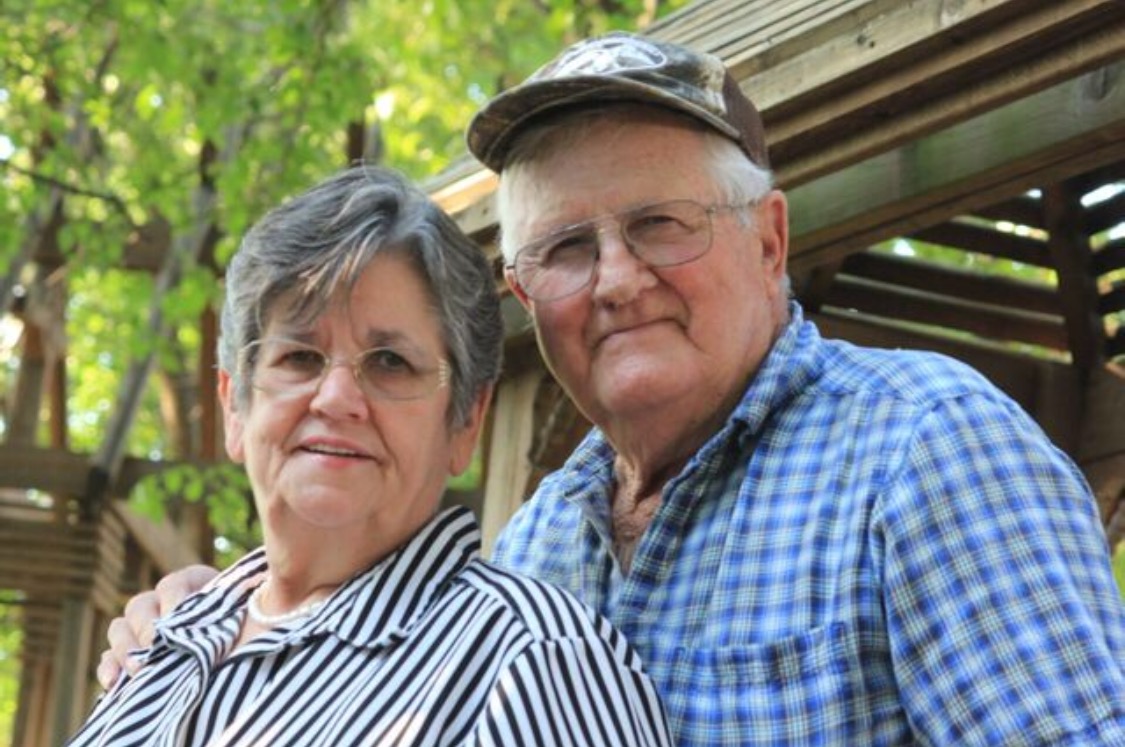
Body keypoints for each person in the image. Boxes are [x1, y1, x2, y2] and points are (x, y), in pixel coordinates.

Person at [100, 32, 1125, 745]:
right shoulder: (544, 535)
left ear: (769, 241)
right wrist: (216, 616)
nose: (617, 280)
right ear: (523, 293)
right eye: (566, 248)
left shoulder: (927, 447)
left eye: (660, 225)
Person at [69, 164, 672, 746]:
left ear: (466, 420)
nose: (336, 398)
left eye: (390, 363)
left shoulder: (529, 664)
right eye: (299, 357)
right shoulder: (160, 644)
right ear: (234, 406)